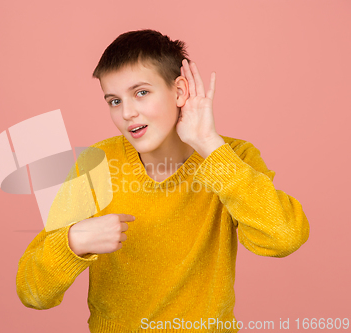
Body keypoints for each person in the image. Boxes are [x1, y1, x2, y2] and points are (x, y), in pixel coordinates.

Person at [16, 29, 310, 332]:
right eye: (114, 101)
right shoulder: (95, 165)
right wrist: (73, 243)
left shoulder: (231, 157)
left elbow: (284, 237)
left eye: (141, 92)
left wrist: (209, 144)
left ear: (180, 91)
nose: (127, 113)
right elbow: (33, 291)